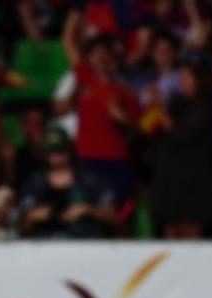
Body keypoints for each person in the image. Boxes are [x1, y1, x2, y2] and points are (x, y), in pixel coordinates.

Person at [62, 12, 139, 204]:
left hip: (117, 159)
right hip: (87, 159)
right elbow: (68, 42)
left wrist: (123, 119)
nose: (100, 58)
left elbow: (140, 129)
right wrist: (77, 11)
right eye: (94, 54)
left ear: (113, 58)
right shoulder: (85, 78)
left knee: (120, 216)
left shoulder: (125, 90)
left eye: (105, 53)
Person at [150, 60, 212, 239]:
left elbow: (181, 133)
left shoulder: (205, 106)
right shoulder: (178, 104)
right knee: (170, 230)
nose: (182, 81)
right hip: (171, 180)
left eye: (187, 77)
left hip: (194, 181)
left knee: (191, 231)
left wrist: (159, 106)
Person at [18, 127, 119, 238]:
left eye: (59, 150)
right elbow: (22, 227)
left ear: (69, 150)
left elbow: (113, 218)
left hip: (85, 244)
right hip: (45, 245)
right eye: (50, 151)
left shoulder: (89, 178)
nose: (55, 156)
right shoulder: (35, 182)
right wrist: (33, 216)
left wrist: (87, 209)